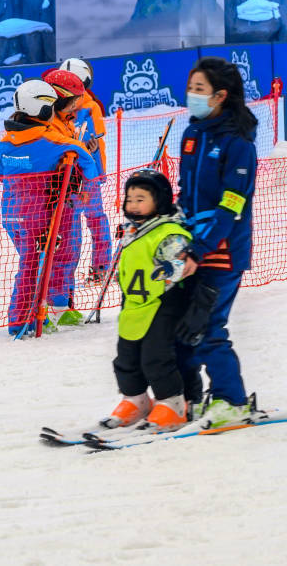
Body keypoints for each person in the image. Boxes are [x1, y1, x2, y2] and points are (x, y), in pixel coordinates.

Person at [175, 57, 259, 428]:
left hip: (221, 252)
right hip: (192, 248)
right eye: (190, 87)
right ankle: (188, 399)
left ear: (220, 96)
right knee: (183, 328)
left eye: (200, 90)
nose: (192, 95)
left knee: (209, 329)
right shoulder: (193, 134)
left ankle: (232, 401)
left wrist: (200, 248)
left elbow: (231, 205)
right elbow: (185, 193)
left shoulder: (237, 143)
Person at [0, 79, 99, 337]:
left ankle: (40, 312)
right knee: (32, 267)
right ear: (42, 109)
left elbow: (0, 174)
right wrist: (86, 186)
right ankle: (20, 321)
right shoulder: (53, 142)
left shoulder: (4, 144)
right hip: (38, 215)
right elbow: (86, 160)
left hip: (11, 213)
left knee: (31, 263)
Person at [104, 169, 193, 430]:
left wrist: (170, 267)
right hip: (133, 304)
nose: (133, 204)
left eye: (140, 199)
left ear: (160, 200)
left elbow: (178, 265)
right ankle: (136, 399)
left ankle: (172, 404)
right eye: (130, 199)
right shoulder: (133, 230)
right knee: (125, 357)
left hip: (162, 303)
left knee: (155, 356)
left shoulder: (167, 230)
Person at [57, 57, 113, 283]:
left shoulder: (91, 108)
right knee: (70, 225)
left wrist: (97, 172)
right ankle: (65, 273)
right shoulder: (58, 108)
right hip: (67, 175)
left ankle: (101, 265)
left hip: (87, 175)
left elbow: (95, 141)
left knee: (95, 218)